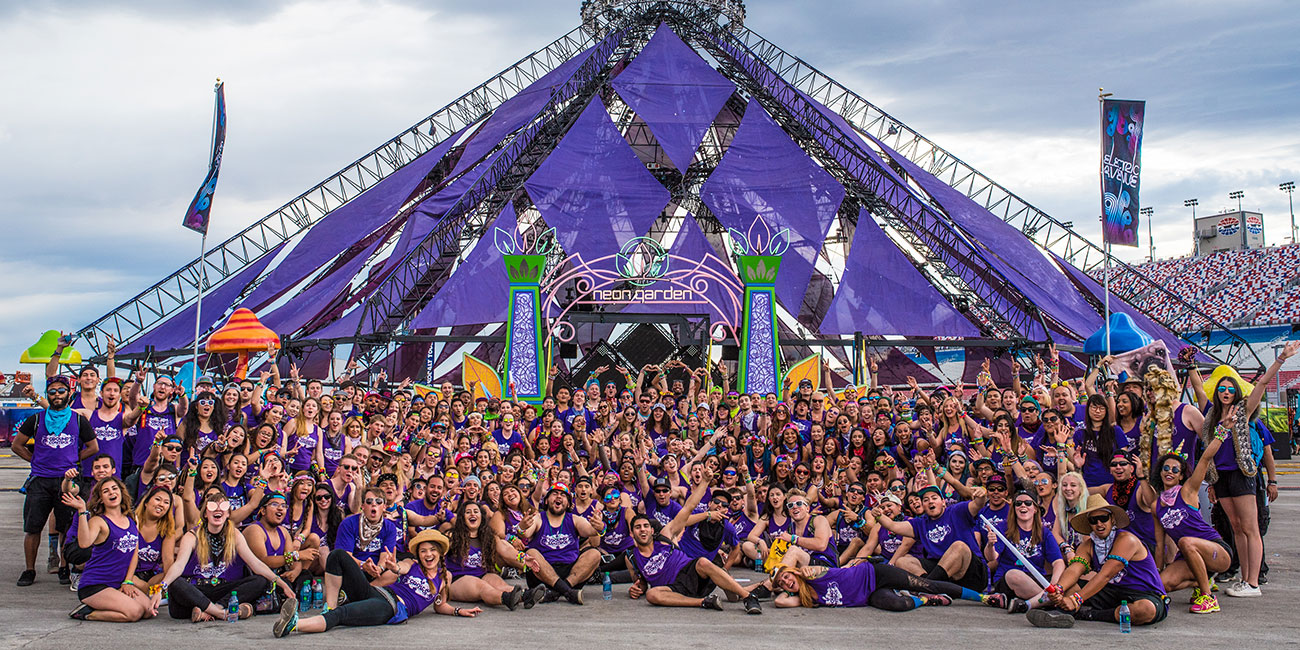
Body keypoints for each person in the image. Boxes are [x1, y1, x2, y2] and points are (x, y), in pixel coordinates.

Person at [274, 529, 481, 637]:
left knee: (341, 616)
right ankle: (329, 606)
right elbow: (402, 568)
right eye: (424, 550)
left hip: (390, 607)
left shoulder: (445, 577)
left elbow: (439, 605)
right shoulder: (413, 563)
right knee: (337, 555)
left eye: (432, 550)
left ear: (440, 553)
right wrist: (394, 567)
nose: (428, 554)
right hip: (378, 593)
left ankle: (293, 626)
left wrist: (458, 611)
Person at [1027, 494, 1168, 628]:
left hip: (1144, 593)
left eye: (1103, 518)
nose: (1099, 524)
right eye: (1093, 521)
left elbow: (1106, 575)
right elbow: (1074, 569)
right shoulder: (1088, 546)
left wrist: (1077, 599)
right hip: (1113, 591)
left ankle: (1088, 614)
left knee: (1145, 610)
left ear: (1112, 519)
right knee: (1068, 588)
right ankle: (1062, 613)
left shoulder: (1127, 540)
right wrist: (1059, 589)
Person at [625, 475, 762, 614]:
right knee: (652, 595)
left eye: (645, 526)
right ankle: (705, 602)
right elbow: (641, 582)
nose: (642, 529)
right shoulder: (631, 557)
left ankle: (748, 597)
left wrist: (705, 481)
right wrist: (638, 589)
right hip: (671, 589)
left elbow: (688, 508)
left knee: (704, 563)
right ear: (632, 534)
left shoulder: (664, 535)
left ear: (652, 530)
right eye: (638, 527)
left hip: (691, 573)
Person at [155, 490, 297, 621]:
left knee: (260, 581)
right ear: (205, 513)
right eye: (212, 507)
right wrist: (160, 588)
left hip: (223, 592)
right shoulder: (192, 535)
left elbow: (256, 564)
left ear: (228, 513)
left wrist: (282, 584)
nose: (218, 510)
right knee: (176, 583)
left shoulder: (234, 534)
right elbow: (179, 565)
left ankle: (212, 609)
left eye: (223, 507)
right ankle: (220, 613)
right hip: (197, 590)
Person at [14, 375, 100, 586]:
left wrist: (72, 460)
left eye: (61, 391)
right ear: (48, 395)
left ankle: (63, 567)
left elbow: (93, 447)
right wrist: (35, 461)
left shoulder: (78, 419)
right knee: (33, 527)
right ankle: (29, 570)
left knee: (65, 526)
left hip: (67, 480)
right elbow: (17, 445)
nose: (56, 395)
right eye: (52, 392)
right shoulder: (36, 419)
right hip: (40, 480)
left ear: (69, 393)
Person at [1153, 422, 1234, 614]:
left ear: (1181, 476)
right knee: (1161, 585)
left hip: (1217, 552)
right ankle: (1201, 580)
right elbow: (1159, 544)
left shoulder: (1188, 491)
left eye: (1175, 470)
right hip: (1188, 557)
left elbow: (1205, 458)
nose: (1169, 472)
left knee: (1186, 541)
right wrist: (1154, 575)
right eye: (1166, 468)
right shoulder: (1155, 506)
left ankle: (1207, 597)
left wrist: (1223, 431)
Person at [63, 477, 154, 622]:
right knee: (134, 613)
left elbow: (134, 553)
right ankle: (86, 613)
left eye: (114, 488)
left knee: (148, 610)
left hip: (118, 584)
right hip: (95, 585)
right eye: (106, 491)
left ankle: (112, 602)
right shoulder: (99, 521)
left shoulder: (131, 519)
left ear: (121, 492)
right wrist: (82, 511)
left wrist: (128, 581)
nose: (111, 492)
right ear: (101, 499)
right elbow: (84, 543)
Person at [518, 483, 603, 605]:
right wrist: (522, 527)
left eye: (563, 495)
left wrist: (599, 527)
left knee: (594, 554)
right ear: (546, 501)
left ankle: (558, 591)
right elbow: (525, 533)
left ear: (568, 503)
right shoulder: (538, 518)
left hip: (570, 572)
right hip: (542, 573)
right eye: (554, 494)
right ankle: (568, 592)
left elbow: (591, 531)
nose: (558, 497)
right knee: (531, 553)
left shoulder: (575, 519)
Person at [444, 500, 539, 609]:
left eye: (476, 511)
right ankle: (506, 598)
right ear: (462, 517)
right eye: (468, 512)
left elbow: (505, 549)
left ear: (481, 516)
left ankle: (526, 596)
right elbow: (439, 552)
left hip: (482, 575)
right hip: (458, 579)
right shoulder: (452, 535)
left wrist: (524, 558)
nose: (473, 514)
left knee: (499, 583)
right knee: (483, 587)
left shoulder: (488, 536)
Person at [985, 489, 1064, 613]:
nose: (1023, 505)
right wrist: (990, 544)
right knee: (1014, 574)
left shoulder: (1044, 532)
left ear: (1035, 508)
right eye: (1018, 503)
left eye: (1028, 503)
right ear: (1014, 509)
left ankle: (1031, 603)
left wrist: (1053, 584)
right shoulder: (1003, 528)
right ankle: (1052, 602)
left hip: (1035, 580)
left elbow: (1058, 562)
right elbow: (992, 557)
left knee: (1068, 582)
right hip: (1007, 581)